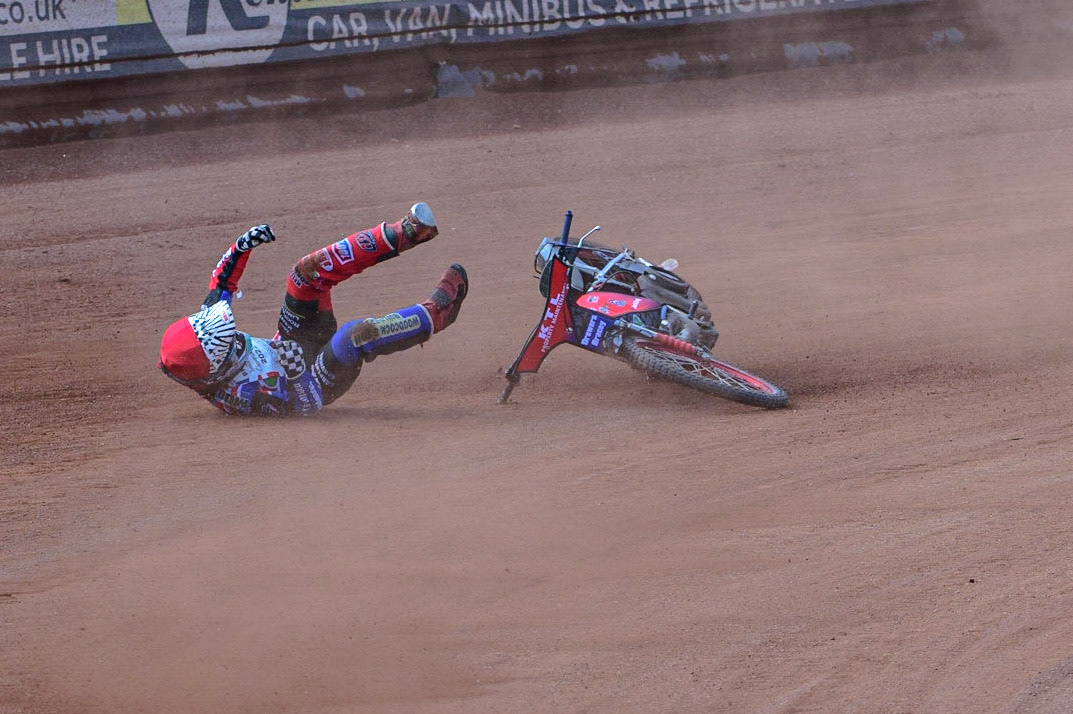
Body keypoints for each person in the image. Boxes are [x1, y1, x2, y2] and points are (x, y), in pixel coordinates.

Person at [158, 202, 468, 416]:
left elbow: (221, 285)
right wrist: (294, 374)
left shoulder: (207, 334)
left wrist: (241, 247)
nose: (233, 337)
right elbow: (301, 408)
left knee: (303, 273)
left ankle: (404, 233)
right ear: (216, 371)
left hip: (289, 343)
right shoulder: (241, 395)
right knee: (354, 336)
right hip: (315, 381)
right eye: (227, 345)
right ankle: (436, 314)